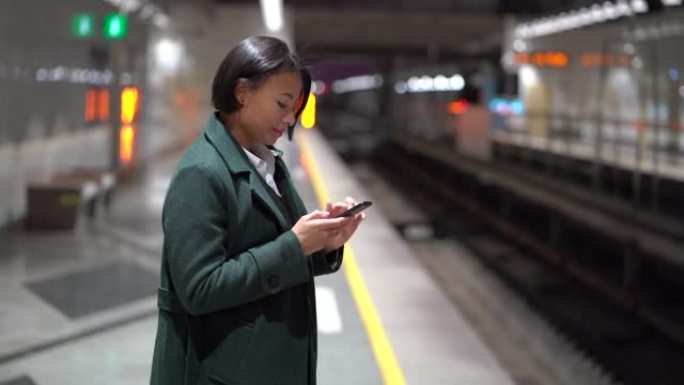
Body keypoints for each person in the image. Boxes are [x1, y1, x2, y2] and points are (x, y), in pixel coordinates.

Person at [150, 36, 365, 385]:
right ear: (242, 93)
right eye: (282, 104)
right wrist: (296, 245)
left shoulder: (266, 161)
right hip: (221, 372)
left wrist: (323, 244)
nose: (290, 118)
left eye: (294, 107)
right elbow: (200, 289)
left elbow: (269, 253)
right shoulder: (201, 174)